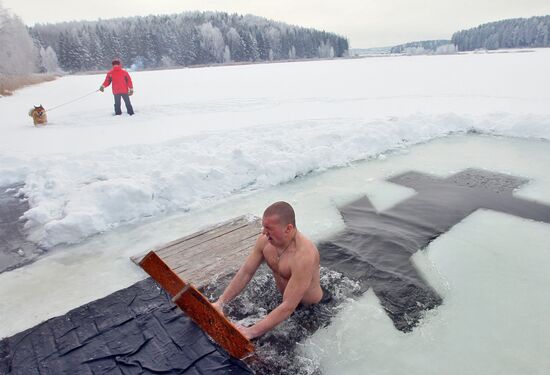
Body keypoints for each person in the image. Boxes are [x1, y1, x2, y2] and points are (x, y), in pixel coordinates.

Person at [213, 201, 323, 339]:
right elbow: (246, 272)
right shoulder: (265, 241)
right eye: (263, 226)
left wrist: (250, 332)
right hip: (284, 301)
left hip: (309, 310)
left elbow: (289, 306)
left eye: (269, 228)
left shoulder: (304, 256)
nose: (264, 232)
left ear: (288, 228)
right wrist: (221, 302)